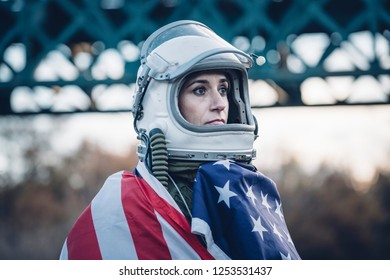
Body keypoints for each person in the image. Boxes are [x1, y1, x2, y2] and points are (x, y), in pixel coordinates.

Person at [59, 20, 301, 260]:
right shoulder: (122, 209)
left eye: (224, 89)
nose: (219, 104)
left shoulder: (249, 188)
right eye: (200, 90)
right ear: (162, 105)